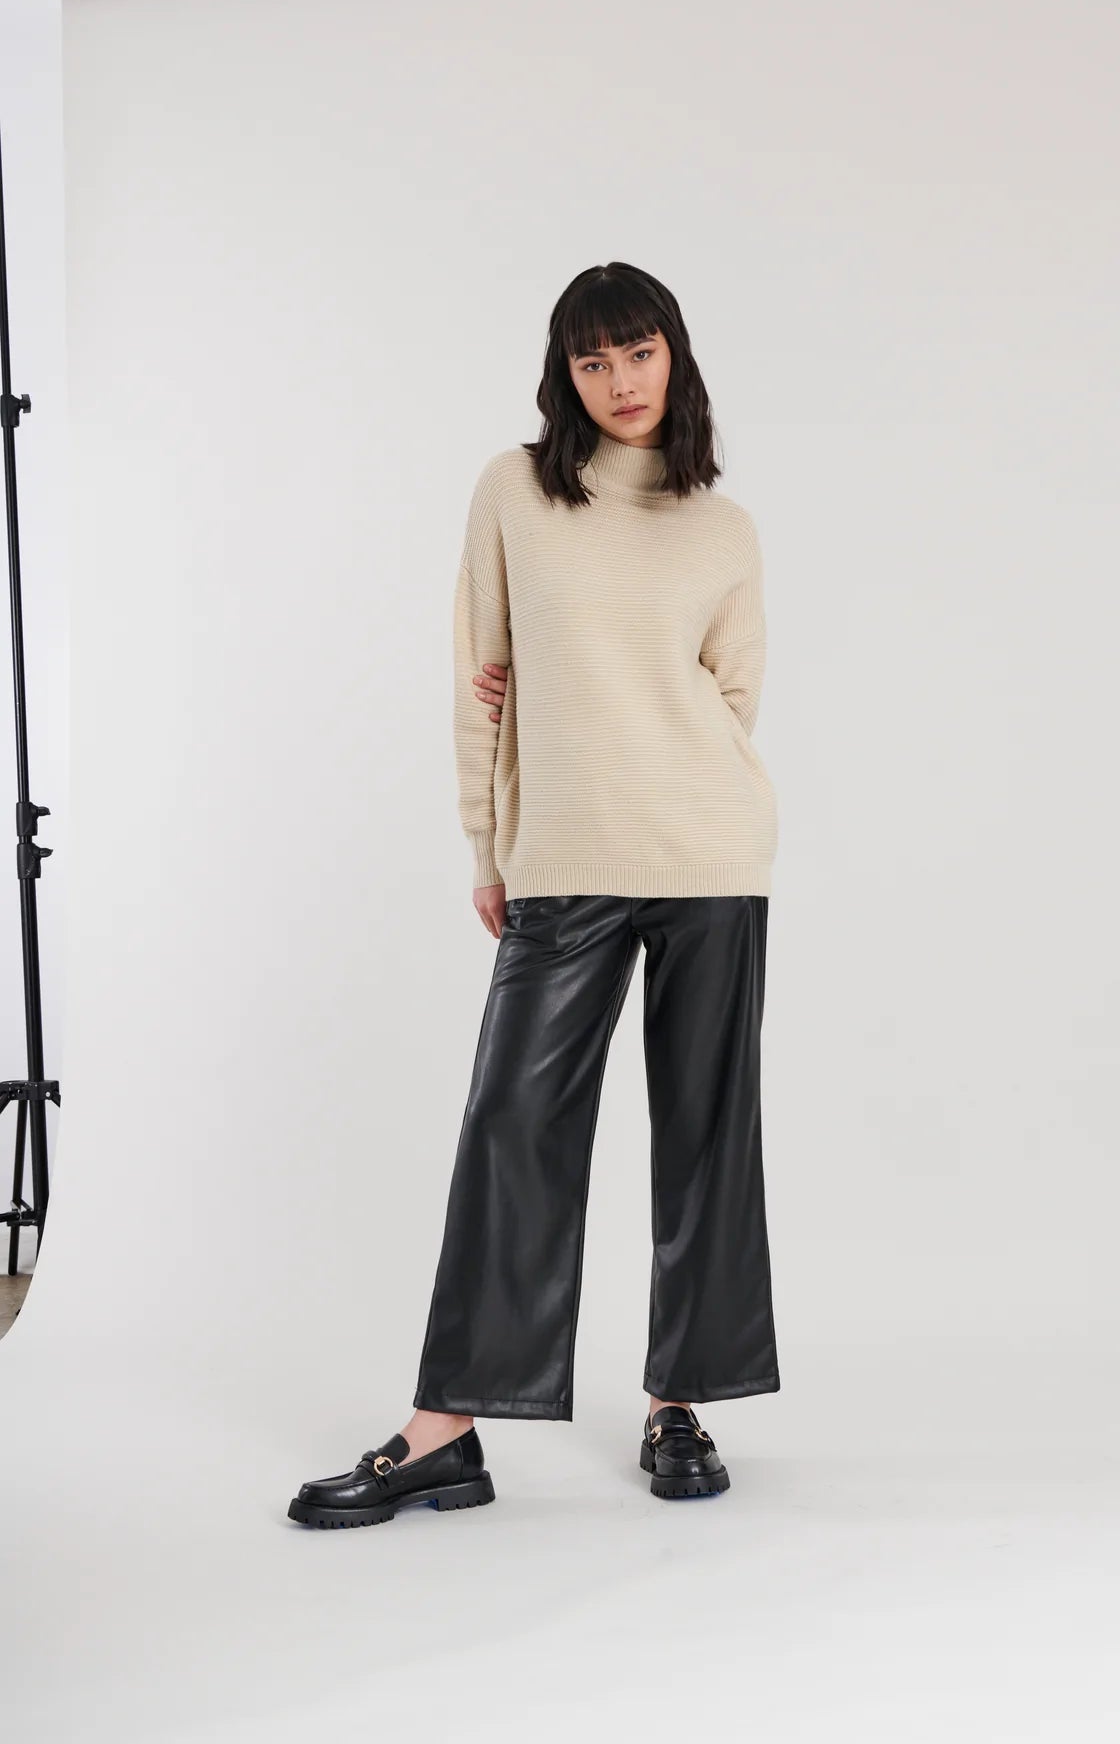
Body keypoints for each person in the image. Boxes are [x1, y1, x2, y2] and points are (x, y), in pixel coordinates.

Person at [288, 261, 780, 1527]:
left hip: (708, 854)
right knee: (513, 1125)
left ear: (676, 355)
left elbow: (732, 696)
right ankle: (446, 1428)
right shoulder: (515, 490)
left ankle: (679, 1404)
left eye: (640, 352)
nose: (620, 382)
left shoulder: (721, 526)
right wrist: (487, 848)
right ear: (565, 373)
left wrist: (641, 731)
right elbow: (482, 674)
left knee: (706, 1131)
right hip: (563, 855)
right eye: (592, 360)